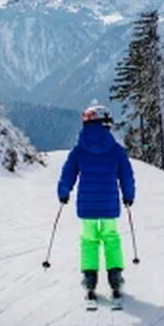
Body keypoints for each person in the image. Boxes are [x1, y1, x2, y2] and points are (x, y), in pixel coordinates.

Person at [57, 103, 136, 301]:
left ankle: (90, 280)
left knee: (89, 240)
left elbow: (68, 173)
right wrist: (128, 195)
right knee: (111, 238)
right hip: (109, 204)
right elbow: (126, 175)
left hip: (87, 205)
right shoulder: (116, 150)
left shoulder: (79, 150)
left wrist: (63, 192)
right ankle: (115, 278)